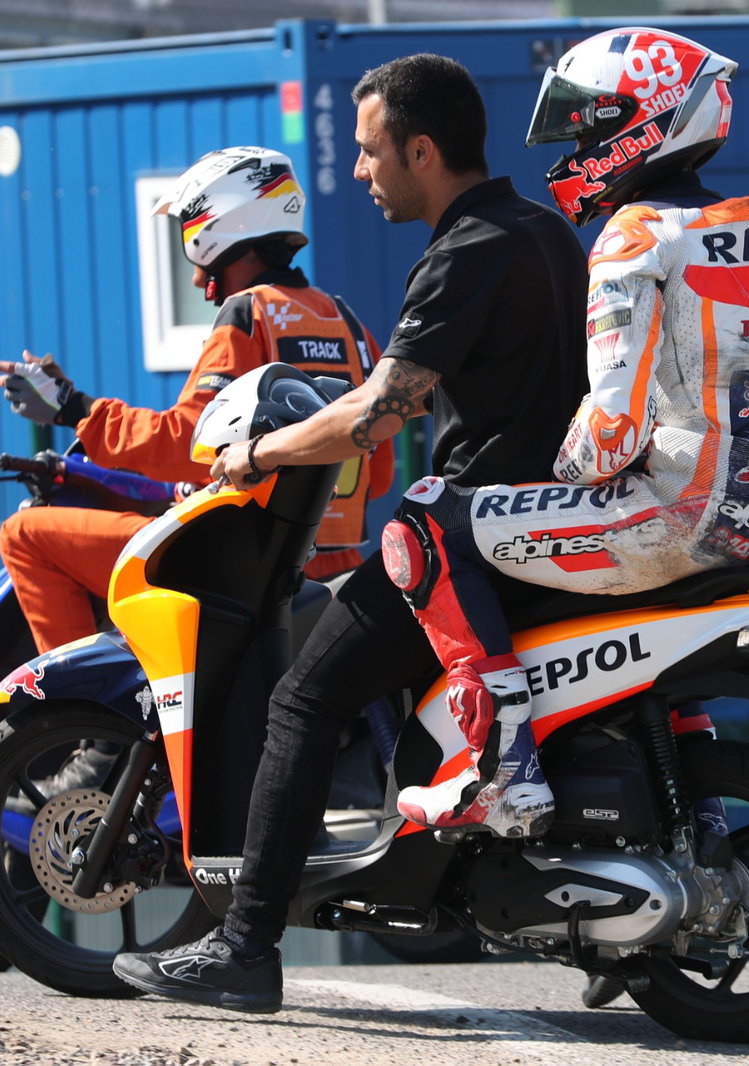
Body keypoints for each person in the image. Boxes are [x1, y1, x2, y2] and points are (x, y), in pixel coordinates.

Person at [111, 52, 589, 1013]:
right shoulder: (546, 233)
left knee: (302, 699)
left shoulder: (465, 252)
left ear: (422, 148)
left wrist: (259, 453)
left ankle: (245, 947)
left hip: (469, 537)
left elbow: (378, 411)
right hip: (555, 526)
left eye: (372, 152)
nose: (361, 172)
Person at [384, 27, 749, 837]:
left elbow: (612, 433)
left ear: (647, 119)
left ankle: (503, 768)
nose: (576, 150)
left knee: (427, 519)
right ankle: (691, 803)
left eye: (590, 128)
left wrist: (546, 482)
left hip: (672, 517)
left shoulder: (633, 234)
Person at [0, 146, 391, 655]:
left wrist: (74, 408)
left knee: (25, 534)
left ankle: (70, 712)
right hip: (336, 563)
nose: (198, 280)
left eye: (191, 242)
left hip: (241, 564)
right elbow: (379, 475)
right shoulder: (351, 327)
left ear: (219, 225)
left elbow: (189, 443)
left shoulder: (247, 315)